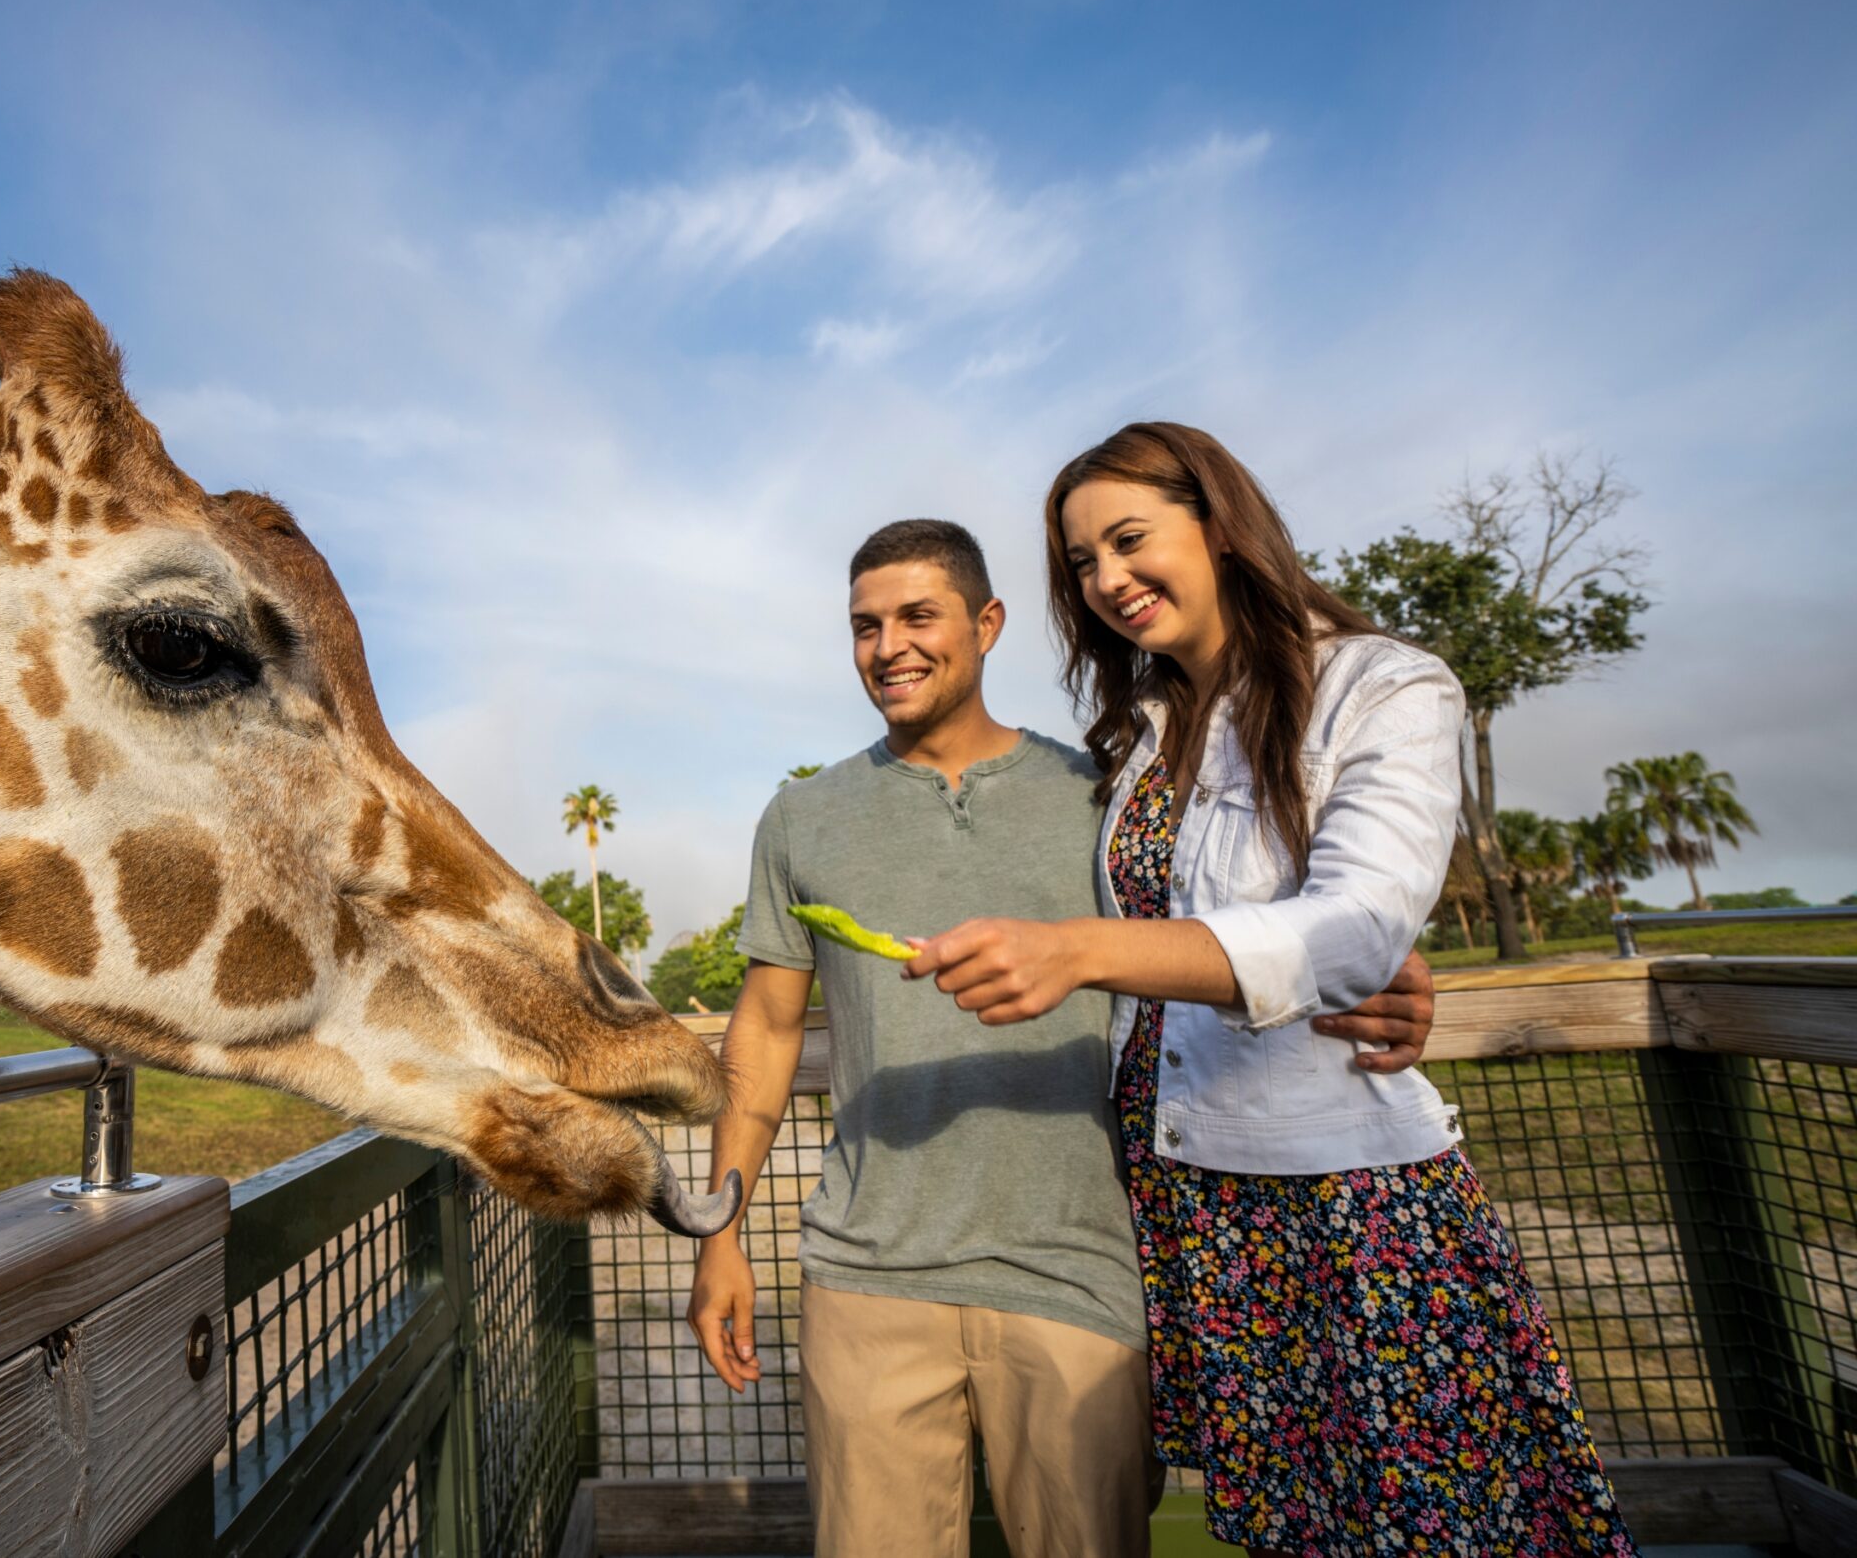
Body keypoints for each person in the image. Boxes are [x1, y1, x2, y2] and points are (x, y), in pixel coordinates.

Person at [902, 423, 1634, 1556]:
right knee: (1293, 1531)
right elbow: (1256, 933)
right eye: (1081, 564)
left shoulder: (1383, 683)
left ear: (1221, 523)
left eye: (1129, 538)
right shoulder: (1139, 736)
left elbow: (1358, 922)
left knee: (1439, 1525)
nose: (1105, 580)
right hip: (1187, 1198)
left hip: (1340, 1204)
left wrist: (1086, 950)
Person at [686, 517, 1438, 1558]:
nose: (887, 646)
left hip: (1080, 1271)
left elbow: (1245, 923)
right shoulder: (800, 817)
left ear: (986, 623)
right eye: (863, 626)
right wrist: (718, 1235)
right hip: (863, 1276)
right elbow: (766, 1032)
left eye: (917, 616)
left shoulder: (1105, 793)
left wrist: (1378, 970)